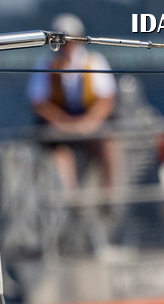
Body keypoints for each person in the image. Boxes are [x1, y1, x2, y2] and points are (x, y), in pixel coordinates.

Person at [29, 13, 121, 206]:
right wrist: (65, 124)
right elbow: (39, 103)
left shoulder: (94, 61)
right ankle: (73, 202)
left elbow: (106, 100)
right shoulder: (45, 65)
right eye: (61, 40)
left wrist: (88, 123)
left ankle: (109, 199)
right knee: (61, 155)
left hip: (91, 126)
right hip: (60, 130)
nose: (66, 44)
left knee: (107, 146)